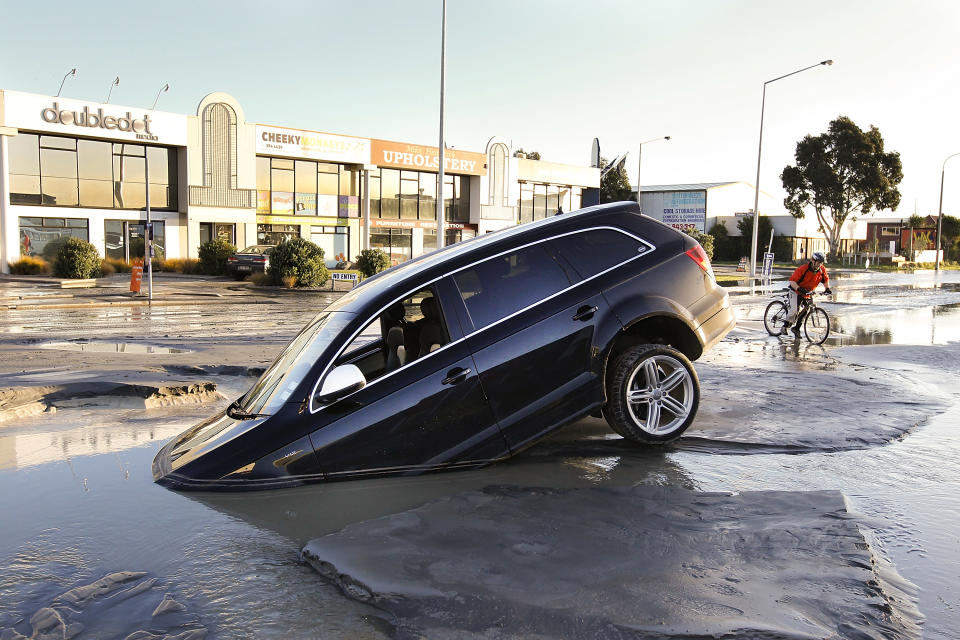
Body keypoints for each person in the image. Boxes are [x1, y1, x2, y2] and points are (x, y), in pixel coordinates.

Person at [784, 251, 832, 337]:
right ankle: (785, 326)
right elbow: (792, 281)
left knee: (806, 311)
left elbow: (825, 280)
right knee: (794, 310)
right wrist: (799, 288)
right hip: (795, 291)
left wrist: (827, 288)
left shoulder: (821, 270)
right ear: (812, 261)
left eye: (821, 263)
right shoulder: (803, 269)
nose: (819, 264)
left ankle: (796, 329)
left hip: (807, 292)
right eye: (818, 262)